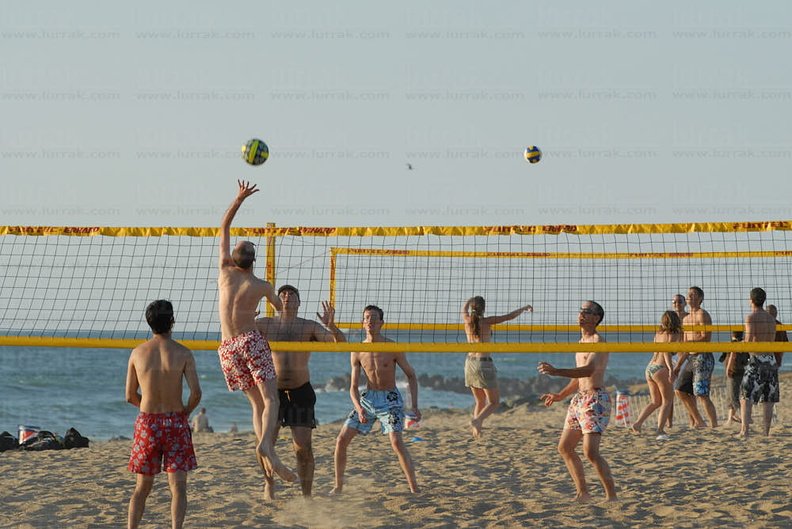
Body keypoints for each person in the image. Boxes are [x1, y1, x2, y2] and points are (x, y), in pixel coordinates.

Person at [217, 180, 295, 484]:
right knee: (271, 400)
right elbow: (281, 311)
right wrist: (276, 301)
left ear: (236, 257)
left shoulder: (224, 272)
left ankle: (264, 450)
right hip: (250, 340)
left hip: (226, 347)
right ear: (253, 260)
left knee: (256, 404)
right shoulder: (261, 285)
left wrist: (239, 199)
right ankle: (267, 447)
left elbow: (224, 226)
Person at [255, 284, 347, 498]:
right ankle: (269, 483)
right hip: (273, 391)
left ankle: (307, 495)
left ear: (299, 302)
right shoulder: (264, 324)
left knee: (303, 448)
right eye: (282, 294)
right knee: (266, 443)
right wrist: (247, 319)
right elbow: (238, 337)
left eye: (292, 294)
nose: (287, 297)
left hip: (300, 391)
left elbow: (340, 344)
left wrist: (332, 327)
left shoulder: (309, 326)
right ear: (275, 302)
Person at [125, 300, 202, 529]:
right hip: (175, 420)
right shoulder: (183, 353)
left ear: (149, 323)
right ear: (172, 321)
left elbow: (129, 395)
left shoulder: (138, 353)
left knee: (142, 487)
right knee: (178, 487)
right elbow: (196, 393)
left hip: (148, 422)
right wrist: (185, 412)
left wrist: (146, 409)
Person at [332, 305, 420, 494]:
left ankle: (414, 489)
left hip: (390, 399)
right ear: (362, 323)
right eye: (367, 318)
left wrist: (414, 406)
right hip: (368, 399)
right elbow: (353, 387)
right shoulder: (357, 350)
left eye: (374, 318)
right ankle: (338, 486)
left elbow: (411, 375)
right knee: (341, 440)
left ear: (381, 323)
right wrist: (359, 408)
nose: (370, 321)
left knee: (396, 442)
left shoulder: (392, 347)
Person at [538, 301, 617, 503]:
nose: (581, 314)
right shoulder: (581, 342)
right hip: (579, 400)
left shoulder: (598, 342)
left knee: (590, 452)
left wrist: (556, 371)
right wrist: (560, 395)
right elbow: (579, 378)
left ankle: (612, 497)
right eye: (581, 310)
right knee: (564, 447)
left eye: (587, 311)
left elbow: (589, 371)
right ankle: (583, 494)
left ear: (596, 318)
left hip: (595, 400)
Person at [461, 296, 533, 437]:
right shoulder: (487, 321)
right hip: (483, 363)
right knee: (494, 402)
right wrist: (524, 308)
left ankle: (477, 431)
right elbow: (509, 317)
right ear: (483, 308)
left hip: (469, 363)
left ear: (472, 308)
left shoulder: (467, 320)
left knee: (480, 401)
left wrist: (469, 300)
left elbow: (463, 309)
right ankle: (477, 420)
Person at [733, 288, 778, 438]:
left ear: (751, 300)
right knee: (768, 399)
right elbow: (771, 340)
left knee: (745, 397)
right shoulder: (771, 319)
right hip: (770, 360)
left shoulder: (751, 317)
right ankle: (766, 432)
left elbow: (749, 341)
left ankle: (744, 431)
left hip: (756, 359)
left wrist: (739, 344)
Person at [630, 311, 681, 440]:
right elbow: (666, 352)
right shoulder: (674, 334)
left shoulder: (658, 333)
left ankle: (637, 424)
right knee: (667, 401)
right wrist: (671, 370)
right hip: (661, 369)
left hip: (650, 368)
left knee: (655, 402)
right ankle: (660, 429)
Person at [672, 286, 718, 428]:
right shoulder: (686, 319)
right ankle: (699, 421)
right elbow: (686, 346)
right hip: (691, 358)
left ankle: (714, 426)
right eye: (689, 294)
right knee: (679, 390)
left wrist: (689, 343)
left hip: (703, 357)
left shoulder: (702, 314)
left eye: (693, 294)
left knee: (702, 394)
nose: (690, 296)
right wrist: (678, 365)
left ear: (700, 298)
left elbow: (706, 337)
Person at [719, 331, 748, 426]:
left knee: (733, 396)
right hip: (740, 371)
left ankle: (742, 417)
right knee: (732, 396)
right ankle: (730, 419)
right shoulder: (744, 343)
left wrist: (728, 369)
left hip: (734, 372)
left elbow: (732, 355)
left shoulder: (734, 344)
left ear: (732, 334)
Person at [767, 304, 787, 368]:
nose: (773, 315)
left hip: (775, 358)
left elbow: (785, 344)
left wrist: (779, 357)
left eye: (774, 313)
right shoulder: (762, 325)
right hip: (765, 358)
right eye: (771, 313)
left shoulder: (780, 326)